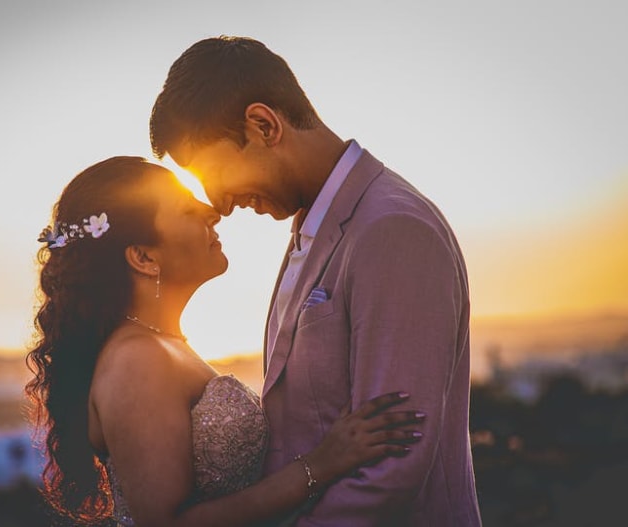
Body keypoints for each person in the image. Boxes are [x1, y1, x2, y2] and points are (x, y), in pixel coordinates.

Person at [150, 36, 482, 526]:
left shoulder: (393, 227)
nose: (217, 203)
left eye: (212, 171)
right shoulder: (315, 224)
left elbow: (394, 463)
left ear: (263, 125)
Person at [25, 156, 424, 527]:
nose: (212, 212)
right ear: (144, 258)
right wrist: (321, 465)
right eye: (186, 208)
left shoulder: (160, 345)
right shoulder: (136, 359)